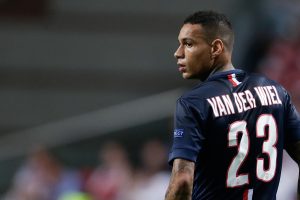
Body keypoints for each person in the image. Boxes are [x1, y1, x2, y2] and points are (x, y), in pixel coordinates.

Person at [165, 10, 300, 200]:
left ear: (216, 48)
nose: (178, 53)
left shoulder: (193, 103)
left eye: (188, 44)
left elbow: (182, 182)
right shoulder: (276, 91)